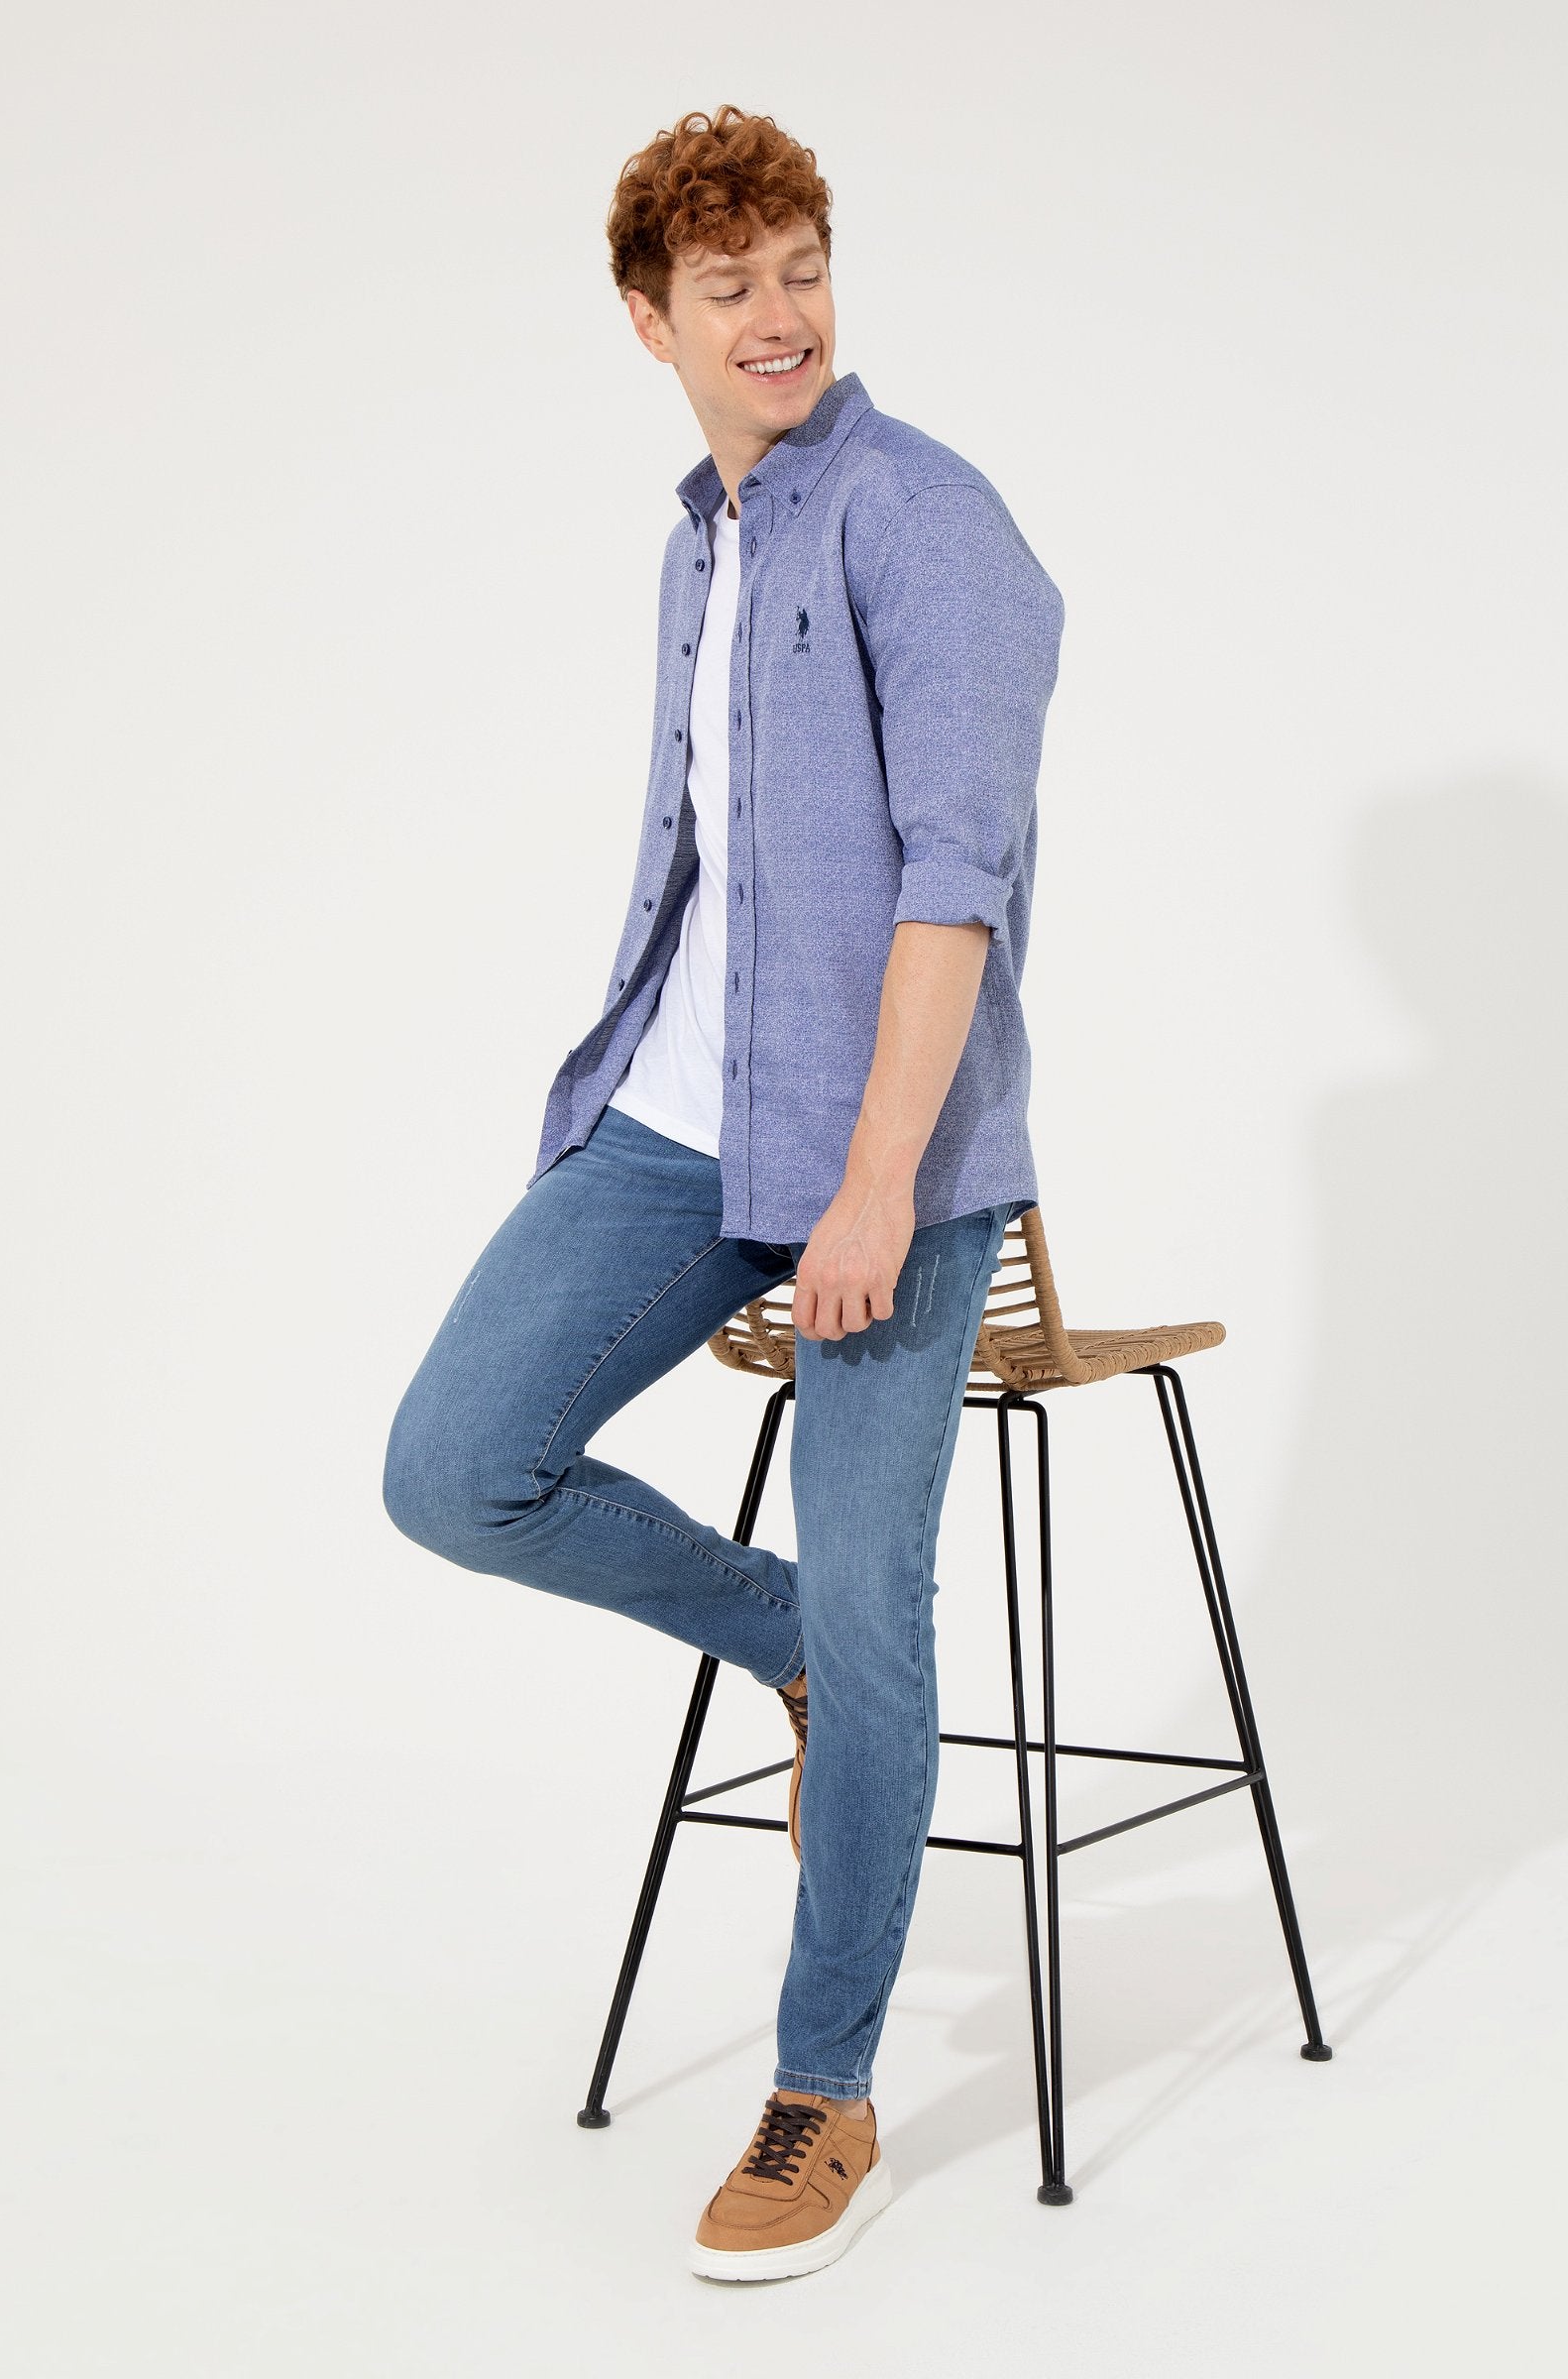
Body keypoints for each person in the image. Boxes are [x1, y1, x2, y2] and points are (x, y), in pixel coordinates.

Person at [383, 101, 1064, 2283]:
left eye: (801, 270)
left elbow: (953, 887)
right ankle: (783, 1650)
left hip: (892, 1167)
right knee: (454, 1467)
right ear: (647, 319)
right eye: (727, 286)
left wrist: (873, 1190)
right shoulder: (705, 535)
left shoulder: (925, 520)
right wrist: (609, 1103)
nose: (777, 317)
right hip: (680, 1125)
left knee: (881, 1604)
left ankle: (821, 2090)